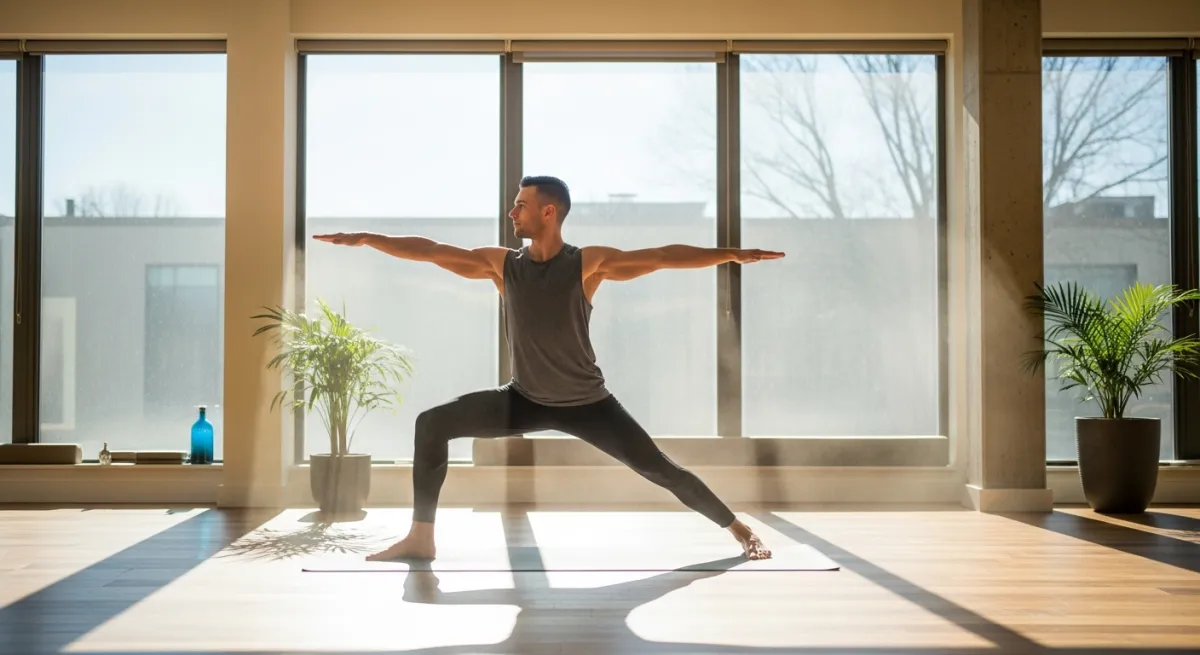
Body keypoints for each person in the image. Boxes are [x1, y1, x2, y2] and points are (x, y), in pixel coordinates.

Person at [314, 175, 785, 561]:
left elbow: (661, 257)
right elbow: (433, 250)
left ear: (548, 212)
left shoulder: (587, 263)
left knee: (661, 469)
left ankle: (739, 528)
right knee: (431, 424)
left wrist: (730, 255)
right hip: (523, 399)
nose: (511, 212)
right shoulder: (503, 265)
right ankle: (422, 537)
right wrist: (368, 239)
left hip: (589, 404)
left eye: (520, 205)